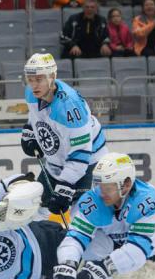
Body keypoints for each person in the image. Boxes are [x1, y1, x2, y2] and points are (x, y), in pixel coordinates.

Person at [21, 53, 108, 218]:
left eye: (39, 79)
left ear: (52, 76)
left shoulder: (70, 107)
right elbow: (35, 116)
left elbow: (81, 153)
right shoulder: (31, 92)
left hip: (89, 162)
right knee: (35, 210)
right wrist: (31, 133)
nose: (33, 85)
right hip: (56, 161)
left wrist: (65, 186)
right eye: (30, 79)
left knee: (81, 217)